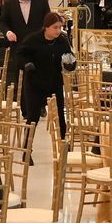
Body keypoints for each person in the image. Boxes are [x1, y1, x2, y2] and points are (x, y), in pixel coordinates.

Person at [13, 10, 72, 140]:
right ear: (46, 27)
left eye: (60, 27)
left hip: (54, 83)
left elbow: (69, 57)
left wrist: (70, 64)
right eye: (55, 27)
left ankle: (63, 149)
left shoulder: (62, 40)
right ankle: (27, 152)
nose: (58, 30)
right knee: (32, 118)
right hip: (35, 84)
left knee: (60, 116)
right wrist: (26, 64)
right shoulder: (33, 39)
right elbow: (19, 55)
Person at [0, 0, 47, 86]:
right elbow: (3, 22)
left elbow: (47, 21)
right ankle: (20, 100)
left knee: (39, 76)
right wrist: (8, 32)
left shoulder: (42, 0)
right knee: (19, 77)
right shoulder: (9, 3)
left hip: (38, 45)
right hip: (18, 46)